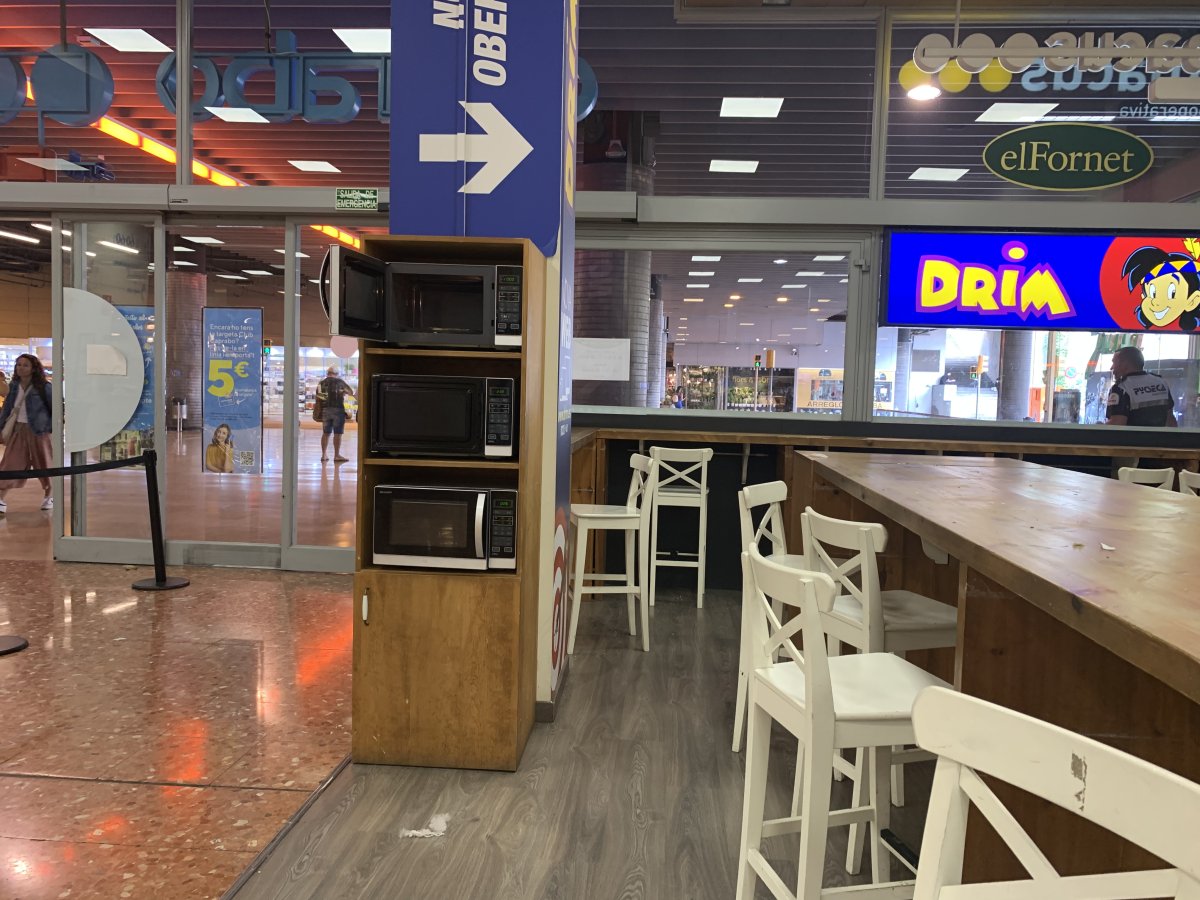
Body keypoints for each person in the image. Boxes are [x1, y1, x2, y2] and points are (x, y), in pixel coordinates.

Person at [0, 353, 53, 513]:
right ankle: (0, 498)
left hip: (40, 431)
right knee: (10, 463)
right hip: (18, 429)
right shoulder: (14, 386)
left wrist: (52, 428)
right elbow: (7, 408)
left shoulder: (44, 386)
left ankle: (49, 495)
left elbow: (55, 407)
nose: (21, 368)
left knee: (44, 463)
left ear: (33, 368)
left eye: (25, 365)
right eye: (18, 365)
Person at [1105, 346, 1177, 427]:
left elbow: (1117, 424)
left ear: (1124, 364)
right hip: (1158, 435)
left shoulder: (1122, 388)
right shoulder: (1161, 383)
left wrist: (1098, 426)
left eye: (1114, 362)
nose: (1111, 367)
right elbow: (1171, 421)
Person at [318, 366, 356, 463]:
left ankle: (324, 455)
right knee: (338, 434)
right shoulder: (340, 382)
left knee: (326, 433)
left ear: (327, 373)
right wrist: (342, 392)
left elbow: (320, 397)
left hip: (326, 410)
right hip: (338, 410)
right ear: (337, 374)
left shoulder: (322, 383)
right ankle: (336, 455)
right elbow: (351, 392)